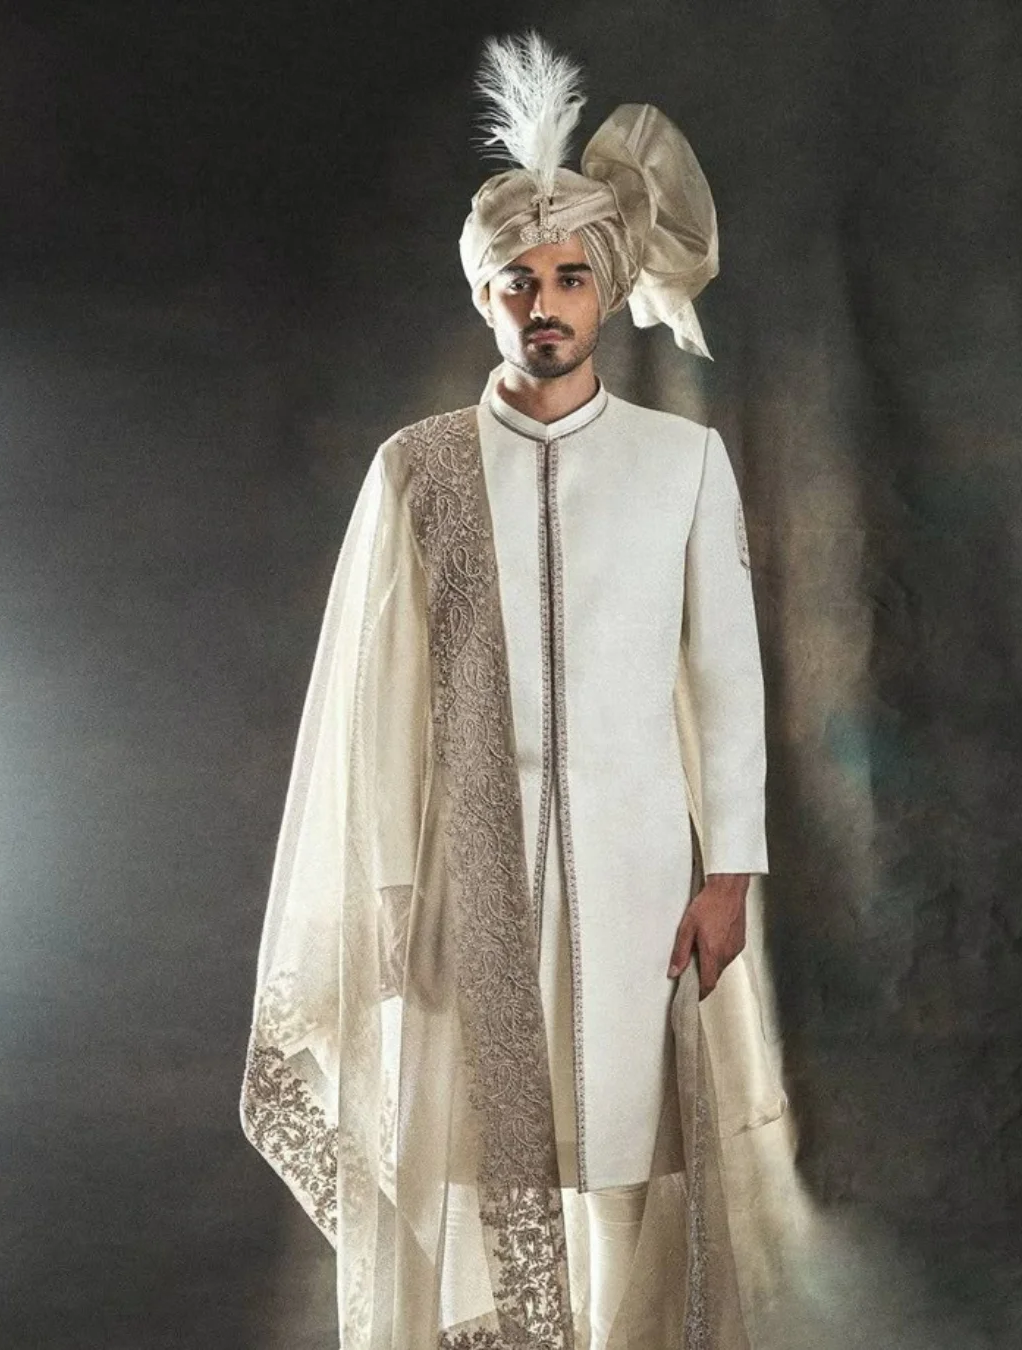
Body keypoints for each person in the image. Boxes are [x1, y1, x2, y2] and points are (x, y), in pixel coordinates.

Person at [241, 29, 786, 1350]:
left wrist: (732, 871)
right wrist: (389, 887)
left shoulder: (682, 462)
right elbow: (379, 702)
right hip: (463, 868)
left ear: (607, 289)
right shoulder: (417, 467)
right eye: (517, 281)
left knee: (625, 1158)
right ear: (482, 296)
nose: (545, 302)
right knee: (480, 1156)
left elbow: (726, 674)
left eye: (570, 277)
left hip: (638, 866)